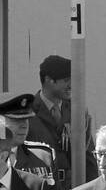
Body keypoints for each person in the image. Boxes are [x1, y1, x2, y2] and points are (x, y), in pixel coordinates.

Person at [28, 55, 95, 183]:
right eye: (66, 80)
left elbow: (88, 155)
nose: (71, 85)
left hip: (72, 189)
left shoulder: (78, 111)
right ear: (48, 80)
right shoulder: (28, 112)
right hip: (42, 189)